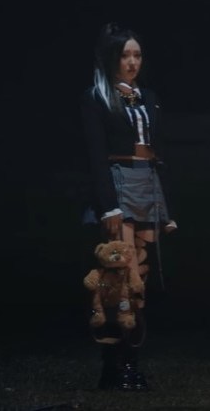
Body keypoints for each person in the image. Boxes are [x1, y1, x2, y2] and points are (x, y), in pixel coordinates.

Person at [80, 22, 178, 391]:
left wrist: (167, 206)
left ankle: (131, 362)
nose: (132, 62)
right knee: (117, 277)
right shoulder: (97, 97)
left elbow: (159, 150)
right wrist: (108, 205)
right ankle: (113, 365)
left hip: (146, 183)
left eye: (137, 55)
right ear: (112, 59)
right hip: (119, 182)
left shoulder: (148, 97)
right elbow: (94, 154)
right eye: (125, 55)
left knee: (141, 278)